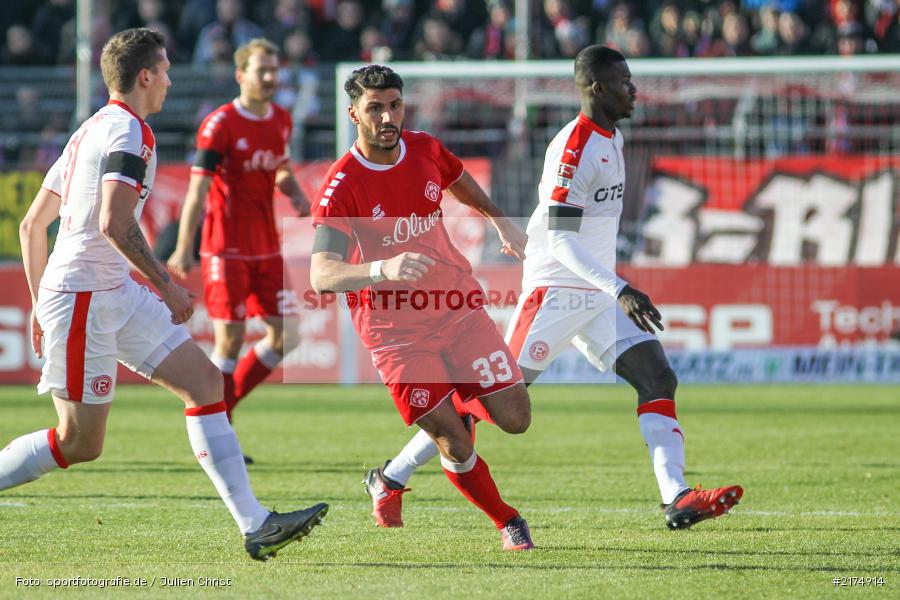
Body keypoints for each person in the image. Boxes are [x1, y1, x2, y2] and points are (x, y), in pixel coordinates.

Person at [365, 45, 743, 531]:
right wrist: (621, 287)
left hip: (596, 292)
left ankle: (677, 496)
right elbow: (561, 238)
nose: (635, 90)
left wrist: (612, 287)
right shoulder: (575, 147)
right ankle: (390, 477)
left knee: (657, 378)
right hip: (556, 291)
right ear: (597, 89)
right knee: (487, 403)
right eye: (625, 81)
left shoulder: (614, 138)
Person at [4, 28, 326, 561]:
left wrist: (41, 303)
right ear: (145, 76)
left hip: (106, 290)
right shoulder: (130, 133)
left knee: (205, 383)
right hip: (87, 293)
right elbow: (114, 222)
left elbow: (32, 227)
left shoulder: (90, 129)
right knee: (80, 442)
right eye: (167, 71)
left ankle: (256, 523)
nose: (171, 81)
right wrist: (167, 285)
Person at [309, 65, 534, 550]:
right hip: (395, 334)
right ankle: (507, 520)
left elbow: (457, 179)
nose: (387, 116)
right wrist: (381, 269)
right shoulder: (342, 185)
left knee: (516, 417)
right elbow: (321, 275)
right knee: (455, 440)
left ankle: (389, 477)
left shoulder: (425, 148)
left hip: (456, 306)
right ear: (354, 114)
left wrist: (498, 219)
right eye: (374, 108)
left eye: (394, 105)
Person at [168, 38, 310, 447]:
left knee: (288, 336)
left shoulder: (281, 118)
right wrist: (183, 246)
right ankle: (216, 432)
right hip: (224, 248)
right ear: (240, 75)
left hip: (266, 247)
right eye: (261, 70)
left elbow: (279, 166)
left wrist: (295, 192)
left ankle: (222, 415)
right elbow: (197, 191)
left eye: (273, 69)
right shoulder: (220, 124)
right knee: (229, 341)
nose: (269, 77)